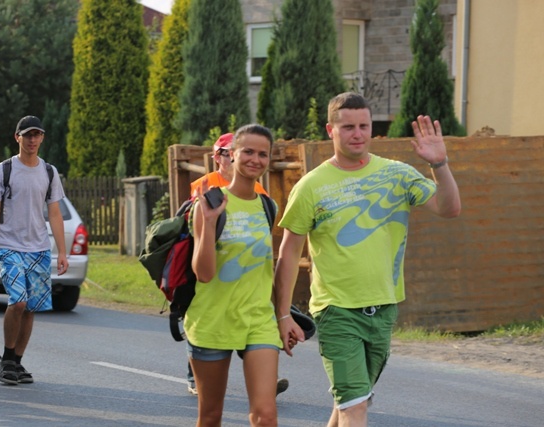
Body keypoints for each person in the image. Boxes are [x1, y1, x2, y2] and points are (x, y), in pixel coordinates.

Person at [274, 92, 461, 427]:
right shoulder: (311, 187)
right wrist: (284, 314)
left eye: (364, 125)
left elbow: (449, 209)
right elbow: (288, 253)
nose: (357, 133)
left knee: (349, 403)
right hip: (336, 310)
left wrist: (439, 165)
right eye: (348, 127)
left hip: (384, 307)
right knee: (355, 407)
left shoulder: (398, 175)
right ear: (330, 129)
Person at [188, 124, 281, 427]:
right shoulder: (209, 204)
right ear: (232, 154)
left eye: (263, 154)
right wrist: (211, 223)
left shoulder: (268, 206)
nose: (256, 159)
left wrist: (283, 317)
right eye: (248, 151)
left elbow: (269, 267)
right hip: (214, 320)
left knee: (265, 415)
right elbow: (203, 274)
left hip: (258, 320)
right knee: (211, 416)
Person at [0, 115, 69, 385]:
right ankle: (7, 358)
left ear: (42, 138)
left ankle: (17, 362)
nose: (32, 140)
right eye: (27, 135)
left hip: (39, 249)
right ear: (17, 137)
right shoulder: (4, 170)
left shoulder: (49, 172)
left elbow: (54, 214)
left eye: (37, 135)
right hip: (9, 246)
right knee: (17, 301)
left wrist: (62, 252)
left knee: (31, 307)